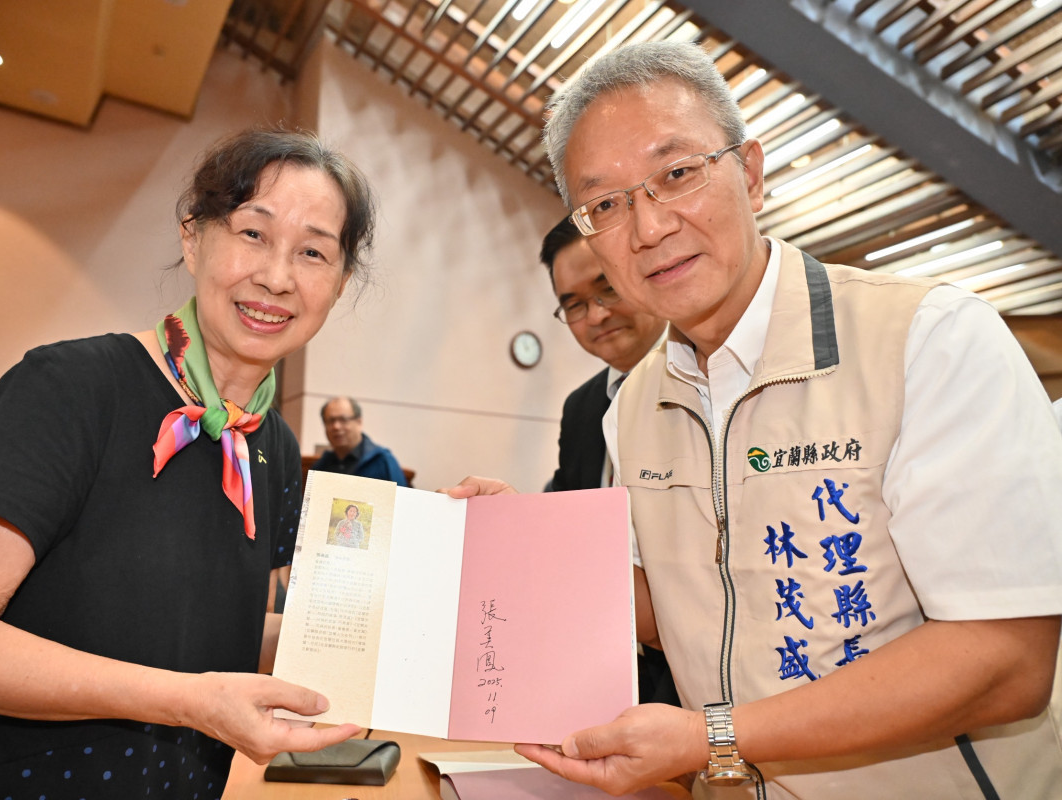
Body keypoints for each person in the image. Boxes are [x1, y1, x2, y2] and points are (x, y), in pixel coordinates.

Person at [450, 41, 1062, 798]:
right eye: (605, 204)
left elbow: (1006, 659)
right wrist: (530, 549)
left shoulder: (929, 340)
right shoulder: (632, 405)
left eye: (676, 174)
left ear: (751, 172)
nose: (647, 228)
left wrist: (714, 735)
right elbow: (659, 604)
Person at [0, 128, 376, 797]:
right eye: (252, 234)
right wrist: (188, 702)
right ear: (193, 237)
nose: (277, 277)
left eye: (313, 252)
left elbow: (211, 629)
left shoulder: (274, 448)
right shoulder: (67, 388)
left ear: (339, 283)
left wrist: (416, 592)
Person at [540, 215, 678, 708]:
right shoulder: (581, 408)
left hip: (693, 670)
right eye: (573, 305)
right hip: (607, 668)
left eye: (607, 290)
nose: (595, 316)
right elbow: (564, 512)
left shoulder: (701, 382)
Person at [309, 396, 409, 486]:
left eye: (343, 419)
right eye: (330, 421)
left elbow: (402, 502)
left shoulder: (382, 461)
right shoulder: (321, 466)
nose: (336, 427)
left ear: (359, 422)